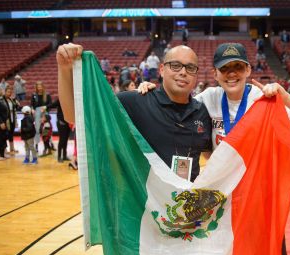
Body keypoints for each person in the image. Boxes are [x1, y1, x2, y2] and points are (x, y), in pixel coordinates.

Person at [138, 42, 290, 255]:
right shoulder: (207, 100)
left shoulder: (264, 100)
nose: (232, 74)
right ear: (215, 73)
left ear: (248, 70)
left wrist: (285, 97)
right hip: (222, 206)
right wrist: (149, 91)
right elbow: (173, 105)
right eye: (225, 68)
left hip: (258, 205)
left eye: (238, 67)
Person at [57, 43, 212, 182]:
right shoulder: (135, 101)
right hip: (145, 209)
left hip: (185, 208)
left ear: (196, 75)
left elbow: (210, 156)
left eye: (190, 68)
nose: (183, 72)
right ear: (162, 70)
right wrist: (64, 69)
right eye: (176, 65)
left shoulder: (203, 112)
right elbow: (73, 115)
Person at [31, 81, 52, 151]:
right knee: (37, 131)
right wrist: (32, 109)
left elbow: (50, 105)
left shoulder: (47, 95)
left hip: (45, 114)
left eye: (40, 86)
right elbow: (32, 105)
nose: (39, 88)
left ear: (43, 87)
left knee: (46, 131)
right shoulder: (34, 95)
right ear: (36, 87)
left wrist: (45, 107)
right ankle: (36, 145)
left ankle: (48, 145)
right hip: (37, 114)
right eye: (38, 87)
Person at [3, 85, 20, 155]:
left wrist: (17, 103)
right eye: (8, 92)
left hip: (12, 118)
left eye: (10, 92)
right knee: (5, 134)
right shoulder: (2, 99)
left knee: (11, 134)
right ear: (5, 92)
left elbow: (16, 107)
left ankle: (12, 148)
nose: (9, 93)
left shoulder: (11, 99)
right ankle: (4, 149)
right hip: (5, 119)